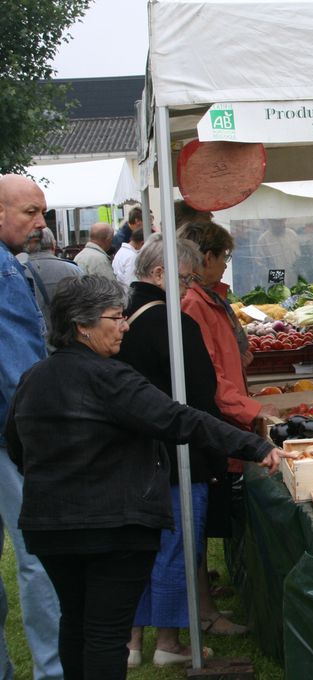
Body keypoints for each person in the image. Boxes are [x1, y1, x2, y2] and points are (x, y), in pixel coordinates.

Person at [6, 275, 293, 680]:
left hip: (51, 527)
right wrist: (255, 446)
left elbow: (17, 447)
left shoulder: (34, 378)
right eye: (116, 317)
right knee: (106, 631)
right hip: (114, 527)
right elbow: (181, 419)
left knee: (76, 621)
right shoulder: (110, 379)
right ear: (81, 326)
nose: (125, 325)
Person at [117, 236, 225, 667]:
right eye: (186, 278)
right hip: (177, 454)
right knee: (177, 547)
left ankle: (130, 644)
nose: (191, 287)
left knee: (141, 550)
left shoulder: (123, 317)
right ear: (160, 275)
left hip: (134, 454)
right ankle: (169, 643)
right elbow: (201, 396)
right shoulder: (174, 324)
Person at [178, 220, 275, 633]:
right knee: (198, 524)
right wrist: (252, 412)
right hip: (216, 424)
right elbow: (212, 379)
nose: (224, 265)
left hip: (228, 417)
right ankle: (202, 613)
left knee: (205, 522)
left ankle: (203, 601)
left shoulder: (211, 299)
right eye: (224, 257)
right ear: (206, 257)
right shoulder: (193, 305)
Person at [0, 175, 63, 680]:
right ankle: (53, 671)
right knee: (38, 556)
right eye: (30, 212)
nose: (41, 224)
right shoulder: (3, 272)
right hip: (11, 438)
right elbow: (19, 371)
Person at [20, 226, 83, 331]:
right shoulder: (74, 270)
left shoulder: (19, 272)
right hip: (69, 336)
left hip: (36, 337)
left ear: (27, 247)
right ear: (53, 245)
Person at [255, 218, 301, 286]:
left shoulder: (292, 235)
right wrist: (279, 281)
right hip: (275, 288)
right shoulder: (264, 240)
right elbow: (260, 267)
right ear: (270, 221)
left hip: (294, 282)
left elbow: (299, 259)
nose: (279, 224)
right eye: (276, 222)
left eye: (281, 221)